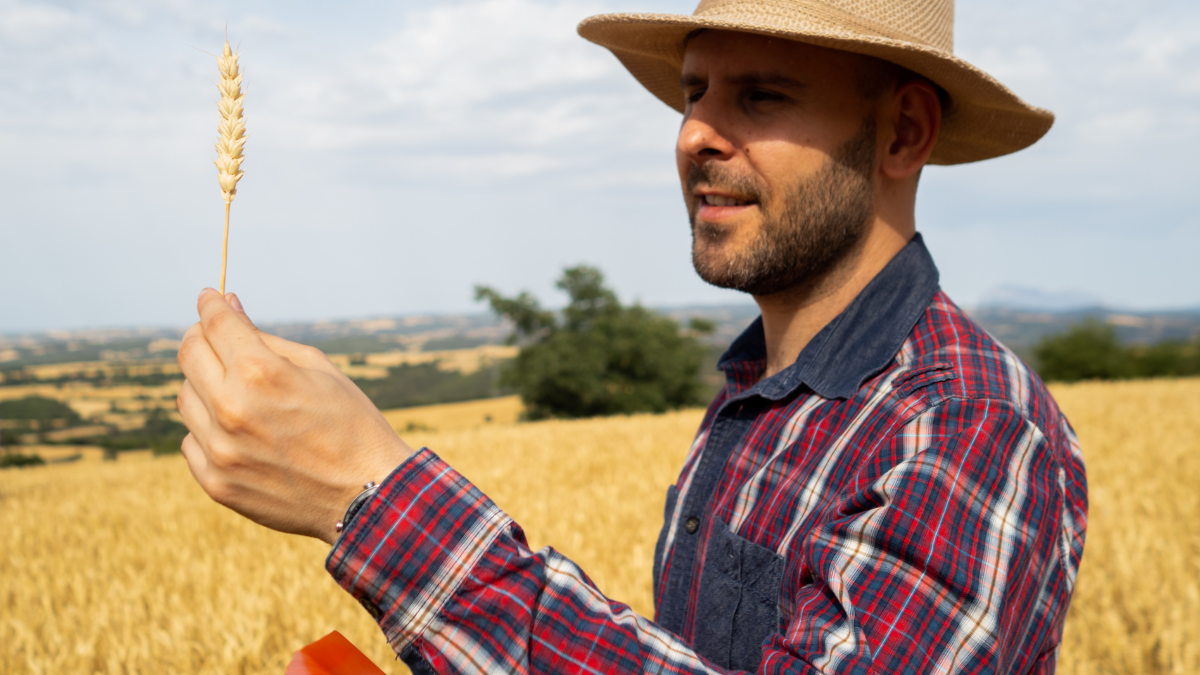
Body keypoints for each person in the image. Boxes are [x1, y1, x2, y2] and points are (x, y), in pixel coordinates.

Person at [176, 0, 1088, 672]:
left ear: (905, 132)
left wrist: (373, 495)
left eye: (762, 97)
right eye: (695, 93)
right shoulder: (760, 389)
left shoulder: (969, 429)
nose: (695, 133)